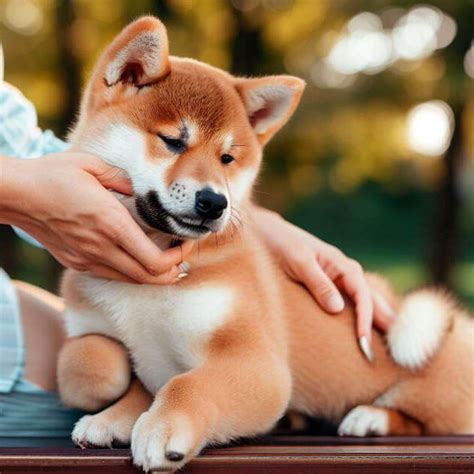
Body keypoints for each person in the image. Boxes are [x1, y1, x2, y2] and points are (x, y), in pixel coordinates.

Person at [0, 81, 395, 438]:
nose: (209, 185)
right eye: (173, 141)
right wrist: (19, 191)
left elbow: (21, 148)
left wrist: (256, 221)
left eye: (226, 159)